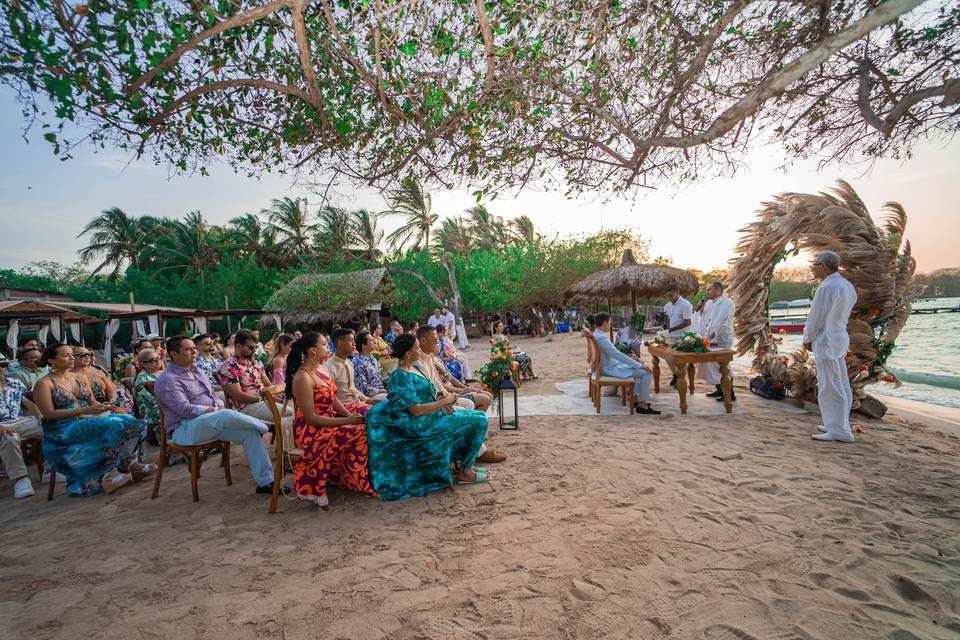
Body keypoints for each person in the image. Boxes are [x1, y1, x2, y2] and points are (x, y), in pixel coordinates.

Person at [364, 333, 490, 500]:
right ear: (408, 354)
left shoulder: (414, 368)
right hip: (421, 423)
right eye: (416, 347)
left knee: (477, 416)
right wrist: (444, 401)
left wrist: (446, 401)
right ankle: (465, 471)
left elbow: (431, 393)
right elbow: (415, 410)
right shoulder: (400, 376)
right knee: (480, 420)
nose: (419, 350)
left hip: (434, 414)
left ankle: (467, 465)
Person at [154, 336, 276, 493]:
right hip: (184, 429)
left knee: (250, 433)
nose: (194, 352)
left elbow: (211, 394)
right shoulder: (168, 379)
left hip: (210, 423)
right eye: (188, 349)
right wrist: (213, 410)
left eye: (193, 348)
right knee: (224, 414)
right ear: (173, 354)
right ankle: (266, 426)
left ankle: (266, 482)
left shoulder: (196, 371)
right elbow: (184, 409)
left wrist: (217, 406)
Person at [33, 343, 153, 497]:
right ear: (51, 360)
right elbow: (49, 414)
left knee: (129, 419)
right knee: (113, 423)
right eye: (65, 355)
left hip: (86, 419)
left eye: (71, 354)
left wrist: (104, 406)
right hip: (62, 428)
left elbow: (92, 401)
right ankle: (110, 472)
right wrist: (86, 410)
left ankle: (130, 462)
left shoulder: (80, 377)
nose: (71, 358)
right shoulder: (44, 383)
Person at [286, 332, 376, 508]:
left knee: (364, 424)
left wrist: (349, 417)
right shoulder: (302, 377)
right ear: (312, 350)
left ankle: (345, 476)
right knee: (357, 431)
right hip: (311, 430)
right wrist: (347, 421)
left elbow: (333, 399)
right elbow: (311, 418)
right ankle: (313, 487)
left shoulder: (321, 369)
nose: (329, 347)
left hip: (328, 420)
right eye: (325, 344)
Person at [803, 251, 858, 443]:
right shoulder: (847, 285)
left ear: (824, 266)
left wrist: (807, 337)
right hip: (840, 336)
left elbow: (816, 317)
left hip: (827, 339)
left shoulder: (827, 287)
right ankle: (836, 422)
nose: (813, 267)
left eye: (815, 264)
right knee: (840, 382)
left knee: (830, 386)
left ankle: (839, 430)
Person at [217, 329, 291, 423]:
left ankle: (281, 435)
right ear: (239, 346)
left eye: (255, 347)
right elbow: (238, 396)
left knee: (293, 408)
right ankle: (282, 436)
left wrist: (278, 393)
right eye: (251, 347)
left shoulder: (256, 362)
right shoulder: (229, 366)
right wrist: (266, 398)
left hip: (261, 401)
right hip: (243, 407)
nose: (254, 350)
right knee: (288, 412)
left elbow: (268, 385)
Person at [593, 313, 660, 415]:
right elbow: (617, 355)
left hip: (608, 365)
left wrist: (631, 359)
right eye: (609, 322)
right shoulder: (601, 338)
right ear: (604, 323)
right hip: (609, 369)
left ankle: (635, 400)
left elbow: (614, 354)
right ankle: (642, 405)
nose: (610, 324)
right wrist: (640, 365)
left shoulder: (596, 334)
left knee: (637, 363)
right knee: (646, 372)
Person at [0, 372, 44, 499]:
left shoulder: (14, 382)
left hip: (19, 421)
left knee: (49, 427)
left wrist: (40, 416)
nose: (1, 369)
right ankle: (21, 479)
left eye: (2, 365)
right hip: (1, 425)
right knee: (8, 438)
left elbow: (29, 404)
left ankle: (51, 469)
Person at [325, 328, 386, 406]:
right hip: (348, 405)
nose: (354, 344)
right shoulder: (329, 367)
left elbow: (353, 389)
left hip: (358, 401)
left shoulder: (349, 362)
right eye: (351, 341)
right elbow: (333, 398)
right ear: (340, 343)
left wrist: (367, 400)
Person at [699, 283, 736, 401]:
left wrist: (709, 338)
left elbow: (720, 321)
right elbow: (706, 319)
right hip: (711, 338)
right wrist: (701, 309)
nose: (707, 292)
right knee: (713, 365)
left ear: (718, 290)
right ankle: (720, 390)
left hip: (722, 339)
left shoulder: (727, 303)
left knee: (724, 366)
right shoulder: (711, 303)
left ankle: (730, 395)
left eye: (709, 289)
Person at [663, 284, 694, 387]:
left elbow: (688, 322)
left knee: (680, 360)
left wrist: (672, 329)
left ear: (677, 293)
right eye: (667, 296)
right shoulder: (667, 306)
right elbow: (666, 320)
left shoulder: (686, 304)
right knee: (668, 357)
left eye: (671, 295)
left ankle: (680, 379)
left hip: (683, 337)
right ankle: (676, 375)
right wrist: (665, 325)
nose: (669, 298)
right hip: (670, 337)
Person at [133, 348, 164, 441]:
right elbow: (151, 402)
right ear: (143, 364)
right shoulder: (142, 378)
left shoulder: (162, 373)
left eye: (158, 358)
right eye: (153, 360)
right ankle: (177, 445)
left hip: (166, 405)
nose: (158, 361)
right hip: (153, 410)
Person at [353, 331, 387, 397]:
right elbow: (362, 388)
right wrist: (380, 391)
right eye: (371, 340)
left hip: (382, 390)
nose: (374, 342)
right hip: (370, 396)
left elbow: (377, 379)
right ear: (363, 345)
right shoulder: (357, 362)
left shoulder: (372, 358)